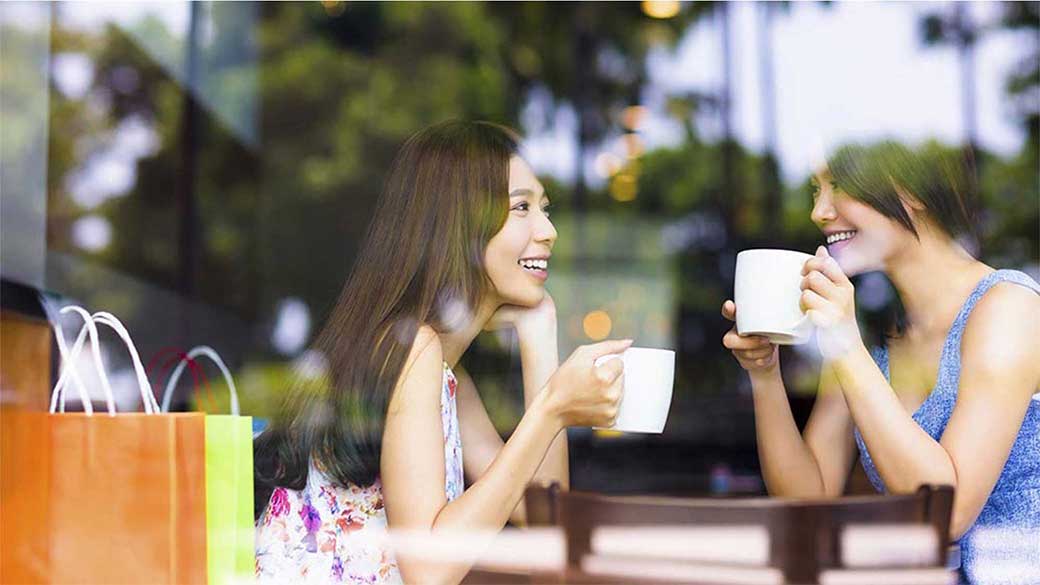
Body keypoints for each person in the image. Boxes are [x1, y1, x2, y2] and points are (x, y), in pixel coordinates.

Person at [254, 120, 630, 583]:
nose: (548, 229)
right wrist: (552, 409)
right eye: (521, 208)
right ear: (462, 226)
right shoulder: (411, 348)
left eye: (544, 209)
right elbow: (429, 570)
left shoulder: (451, 380)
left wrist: (539, 339)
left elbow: (546, 523)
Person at [722, 141, 1040, 584]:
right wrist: (764, 373)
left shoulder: (1010, 310)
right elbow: (809, 499)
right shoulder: (876, 343)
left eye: (840, 186)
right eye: (817, 190)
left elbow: (946, 514)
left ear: (913, 191)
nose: (820, 211)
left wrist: (845, 343)